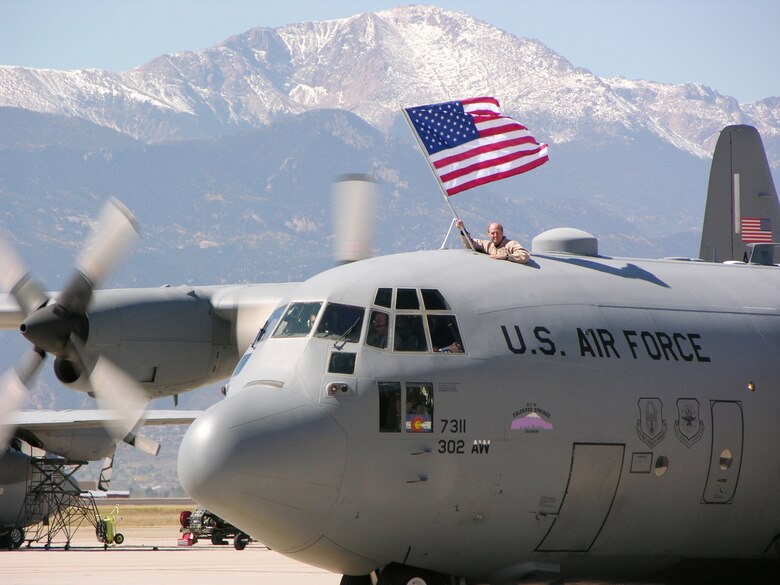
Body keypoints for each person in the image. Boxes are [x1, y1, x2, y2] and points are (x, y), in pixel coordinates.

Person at [455, 219, 530, 264]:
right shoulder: (488, 245)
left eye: (498, 233)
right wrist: (462, 229)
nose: (495, 235)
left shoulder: (511, 244)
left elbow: (525, 256)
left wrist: (507, 256)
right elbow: (470, 243)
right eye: (492, 233)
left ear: (502, 233)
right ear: (488, 234)